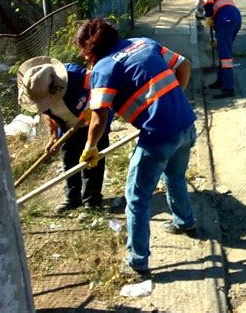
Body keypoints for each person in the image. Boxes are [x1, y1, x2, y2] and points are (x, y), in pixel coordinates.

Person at [74, 19, 197, 281]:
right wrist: (173, 102)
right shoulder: (144, 43)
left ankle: (138, 260)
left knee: (137, 197)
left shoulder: (104, 68)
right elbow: (184, 65)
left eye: (84, 51)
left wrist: (90, 147)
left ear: (89, 49)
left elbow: (98, 119)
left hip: (159, 136)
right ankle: (185, 221)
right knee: (174, 177)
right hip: (186, 124)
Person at [17, 56, 112, 213]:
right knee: (69, 158)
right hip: (67, 125)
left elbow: (100, 85)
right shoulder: (36, 89)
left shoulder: (76, 75)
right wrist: (53, 135)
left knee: (92, 160)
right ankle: (72, 199)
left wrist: (92, 106)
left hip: (91, 121)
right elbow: (45, 112)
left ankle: (91, 201)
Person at [191, 0, 242, 99]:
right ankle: (221, 80)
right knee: (223, 51)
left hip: (226, 20)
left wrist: (208, 14)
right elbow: (215, 6)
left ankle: (228, 88)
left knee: (225, 56)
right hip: (232, 19)